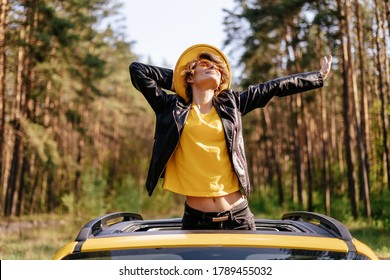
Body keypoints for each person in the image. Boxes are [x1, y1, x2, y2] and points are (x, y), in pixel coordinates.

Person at [129, 44, 332, 230]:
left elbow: (272, 88)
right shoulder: (171, 108)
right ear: (190, 76)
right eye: (205, 64)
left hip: (238, 217)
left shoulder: (232, 104)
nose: (213, 68)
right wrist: (180, 81)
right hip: (196, 221)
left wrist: (317, 76)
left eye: (217, 68)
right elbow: (137, 70)